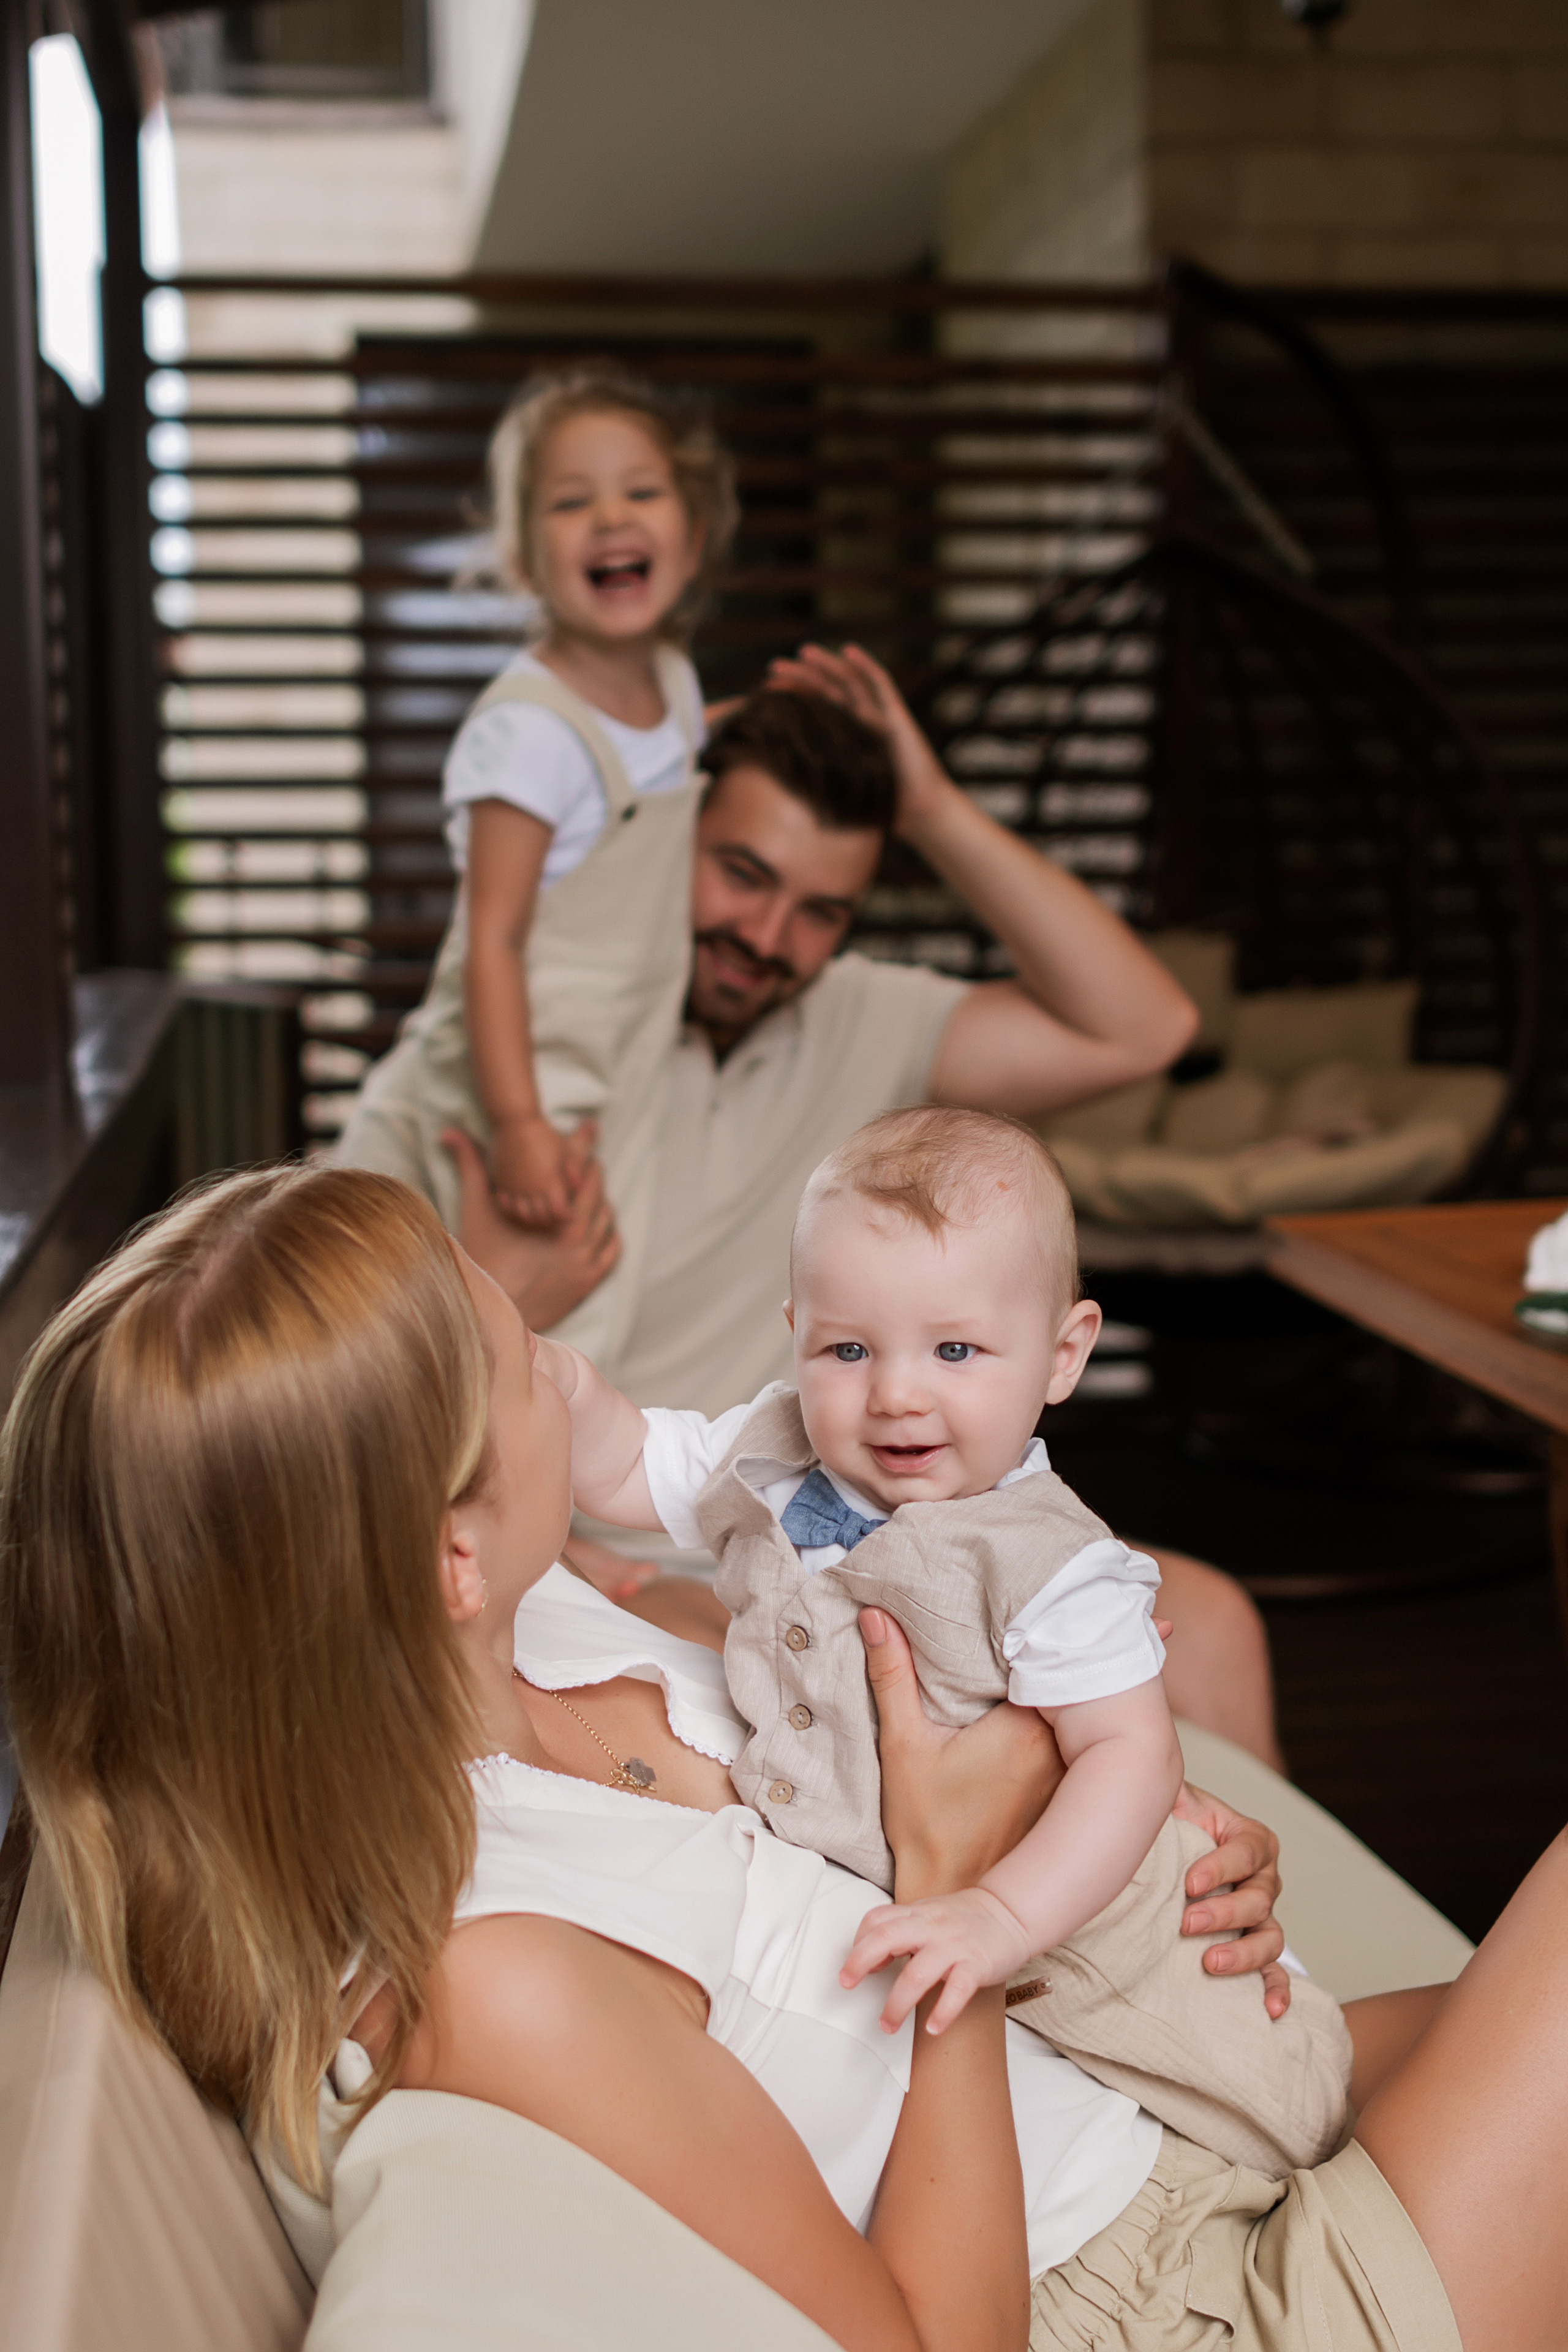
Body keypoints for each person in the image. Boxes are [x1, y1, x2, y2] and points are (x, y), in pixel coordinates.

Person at [6, 1161, 1562, 2352]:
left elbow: (876, 1680)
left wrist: (1139, 1816)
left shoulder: (541, 1630)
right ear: (443, 1558)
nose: (567, 1366)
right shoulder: (500, 1978)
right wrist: (958, 1890)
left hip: (1155, 2109)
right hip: (1167, 2302)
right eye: (523, 1356)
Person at [449, 659, 1281, 1766]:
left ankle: (1227, 1930)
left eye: (819, 911)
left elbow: (1147, 1027)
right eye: (742, 875)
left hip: (899, 1520)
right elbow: (376, 1379)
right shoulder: (530, 1041)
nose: (768, 935)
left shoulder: (865, 1021)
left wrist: (929, 806)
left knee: (1215, 1628)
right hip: (653, 1535)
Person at [540, 1105, 1352, 2171]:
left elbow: (1131, 1754)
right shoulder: (775, 1455)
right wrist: (558, 1385)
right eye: (848, 1349)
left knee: (1273, 2112)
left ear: (1063, 1356)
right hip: (955, 1920)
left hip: (1091, 1925)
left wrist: (1001, 1916)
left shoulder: (1055, 1565)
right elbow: (625, 1464)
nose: (896, 1395)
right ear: (795, 1334)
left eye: (956, 1349)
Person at [335, 366, 736, 1361]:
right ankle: (497, 1507)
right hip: (523, 1069)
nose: (610, 515)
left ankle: (545, 1500)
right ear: (523, 558)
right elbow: (494, 939)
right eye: (571, 500)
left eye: (641, 491)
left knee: (590, 1316)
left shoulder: (676, 686)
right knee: (519, 1322)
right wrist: (515, 1120)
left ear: (691, 530)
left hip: (612, 1063)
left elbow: (652, 782)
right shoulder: (529, 733)